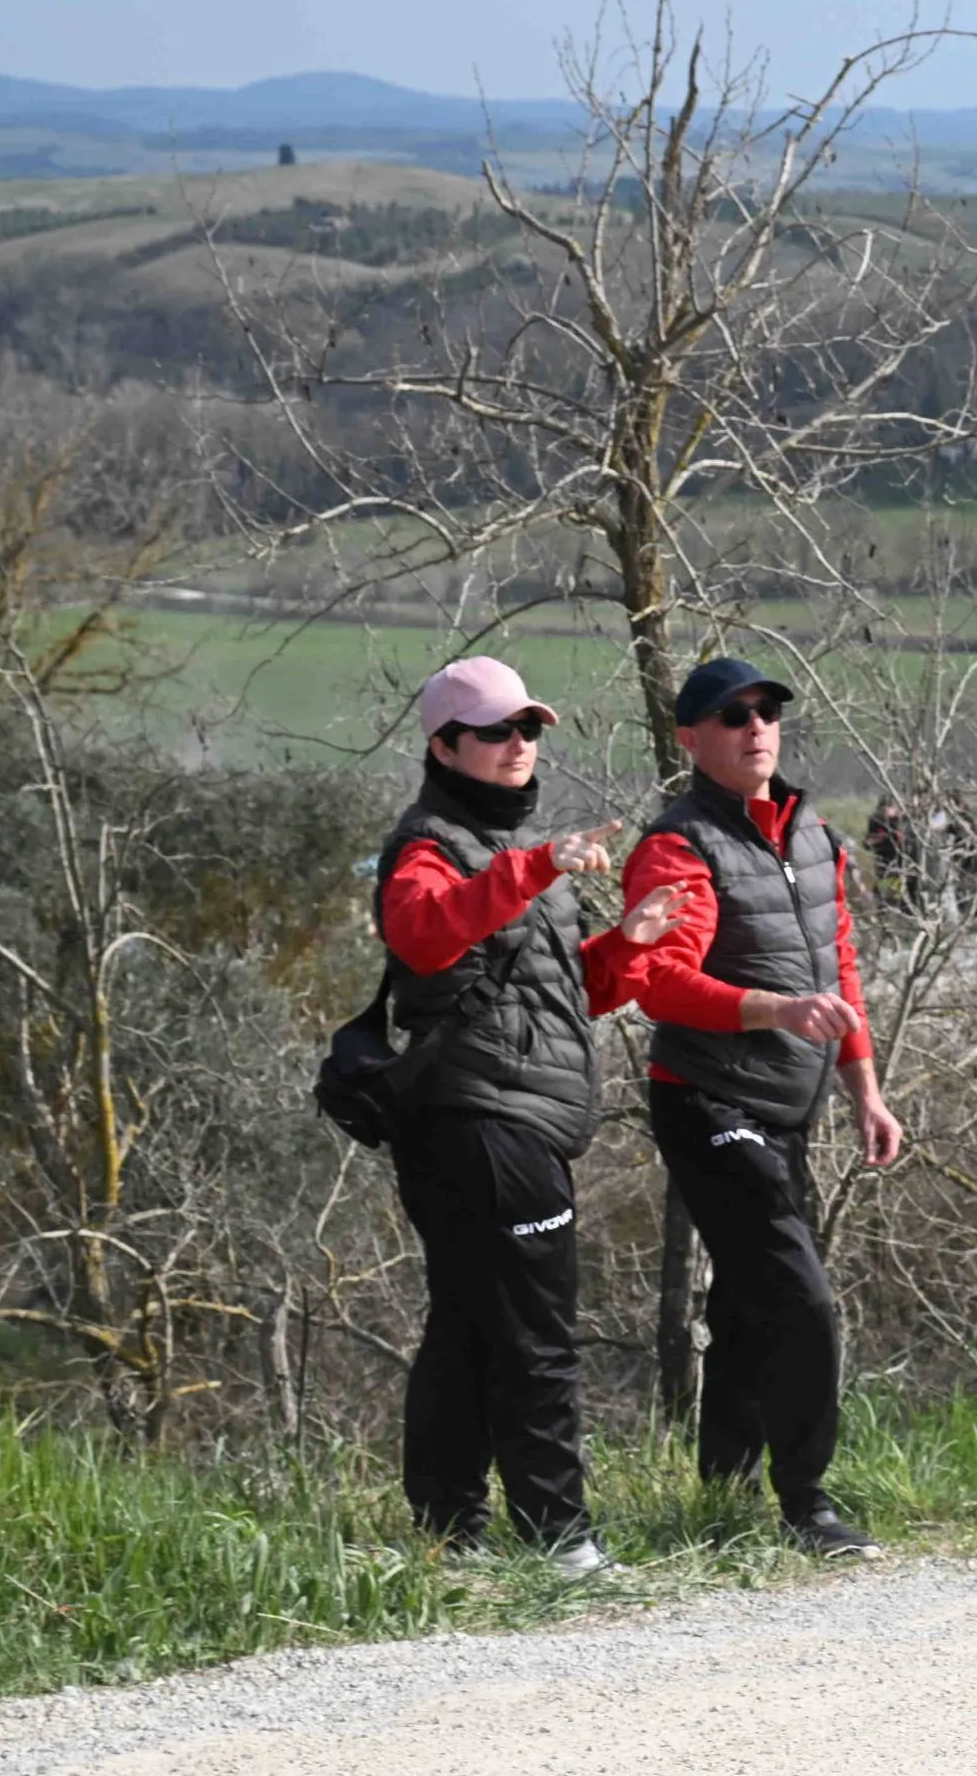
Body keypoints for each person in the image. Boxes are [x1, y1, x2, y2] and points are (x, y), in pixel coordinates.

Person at [372, 656, 683, 1574]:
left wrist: (625, 947)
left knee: (469, 1325)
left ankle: (449, 1538)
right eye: (497, 731)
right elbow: (423, 937)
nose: (519, 746)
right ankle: (559, 1540)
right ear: (443, 745)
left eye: (529, 730)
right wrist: (534, 866)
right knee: (537, 1333)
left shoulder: (514, 858)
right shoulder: (430, 846)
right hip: (479, 1118)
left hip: (509, 1112)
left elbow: (553, 995)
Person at [602, 655, 906, 1562]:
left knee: (746, 1300)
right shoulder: (678, 846)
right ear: (692, 740)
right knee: (801, 1299)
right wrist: (774, 1011)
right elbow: (656, 984)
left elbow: (838, 971)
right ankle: (807, 1502)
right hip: (707, 1100)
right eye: (732, 716)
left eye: (767, 711)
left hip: (790, 1104)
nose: (755, 726)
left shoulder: (814, 835)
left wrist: (866, 1091)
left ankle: (722, 1495)